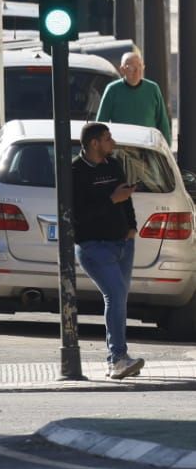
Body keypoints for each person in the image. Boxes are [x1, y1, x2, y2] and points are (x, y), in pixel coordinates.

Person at [73, 122, 142, 380]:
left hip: (123, 243)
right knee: (114, 295)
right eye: (107, 138)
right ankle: (117, 359)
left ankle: (118, 359)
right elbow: (77, 214)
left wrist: (132, 227)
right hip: (93, 246)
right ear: (94, 143)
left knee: (120, 299)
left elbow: (126, 199)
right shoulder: (75, 171)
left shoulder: (113, 165)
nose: (111, 142)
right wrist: (111, 199)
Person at [96, 50, 172, 144]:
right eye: (131, 68)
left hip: (147, 147)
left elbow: (163, 123)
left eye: (140, 66)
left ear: (143, 68)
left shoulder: (153, 89)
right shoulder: (112, 90)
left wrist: (167, 147)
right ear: (122, 69)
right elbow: (101, 124)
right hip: (121, 146)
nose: (136, 71)